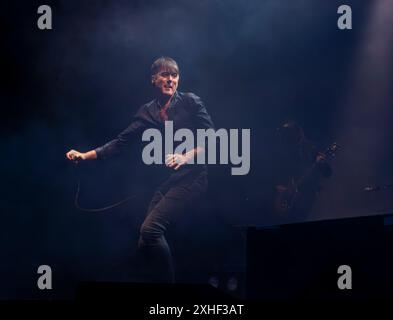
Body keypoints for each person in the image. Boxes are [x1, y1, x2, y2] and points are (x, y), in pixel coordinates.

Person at [66, 57, 214, 283]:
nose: (170, 80)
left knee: (151, 229)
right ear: (154, 79)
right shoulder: (148, 112)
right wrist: (85, 155)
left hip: (193, 178)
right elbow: (121, 142)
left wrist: (185, 157)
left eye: (174, 75)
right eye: (165, 75)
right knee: (145, 240)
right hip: (171, 181)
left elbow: (212, 139)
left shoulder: (190, 102)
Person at [272, 121, 332, 221]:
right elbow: (275, 172)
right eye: (285, 134)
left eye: (289, 133)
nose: (286, 136)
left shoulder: (312, 148)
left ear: (298, 132)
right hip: (290, 198)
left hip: (309, 199)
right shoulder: (283, 150)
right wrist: (279, 187)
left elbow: (328, 173)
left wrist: (322, 163)